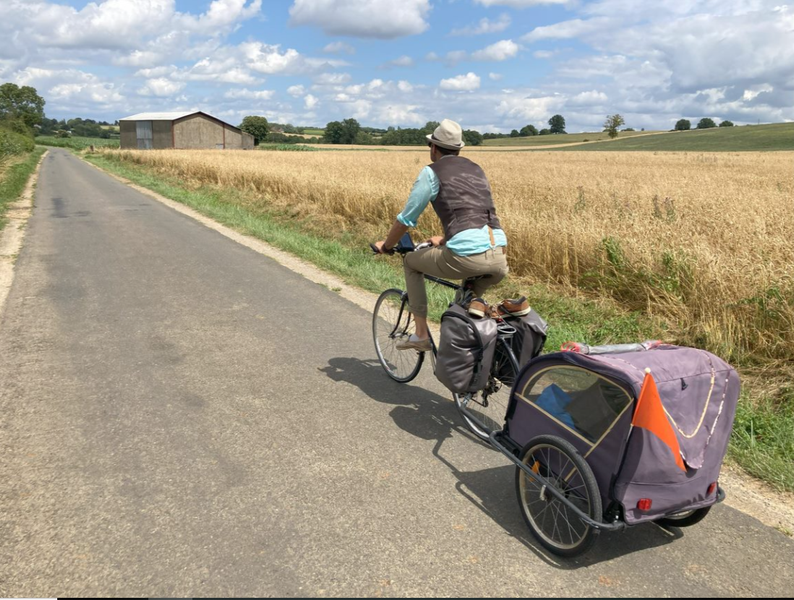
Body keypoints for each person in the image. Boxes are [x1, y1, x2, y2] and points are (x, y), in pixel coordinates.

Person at [373, 119, 509, 351]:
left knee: (411, 263)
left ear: (434, 148)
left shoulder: (431, 172)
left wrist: (386, 246)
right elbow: (474, 214)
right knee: (466, 305)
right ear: (458, 148)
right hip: (499, 256)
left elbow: (406, 219)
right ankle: (471, 359)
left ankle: (421, 335)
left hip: (466, 257)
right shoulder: (476, 169)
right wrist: (445, 239)